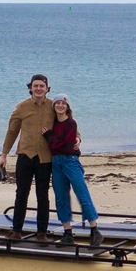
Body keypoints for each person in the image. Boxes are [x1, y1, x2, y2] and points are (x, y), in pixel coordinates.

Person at [0, 73, 55, 236]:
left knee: (42, 196)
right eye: (35, 86)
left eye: (41, 86)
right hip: (25, 156)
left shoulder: (53, 106)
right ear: (30, 88)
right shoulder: (22, 107)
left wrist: (77, 138)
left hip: (45, 158)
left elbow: (68, 122)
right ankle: (16, 230)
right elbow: (12, 131)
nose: (38, 88)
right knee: (21, 194)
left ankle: (42, 232)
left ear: (47, 89)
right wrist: (3, 154)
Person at [44, 95, 101, 248]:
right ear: (54, 106)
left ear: (67, 107)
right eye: (58, 103)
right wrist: (54, 142)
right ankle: (67, 232)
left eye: (63, 103)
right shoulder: (53, 123)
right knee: (61, 198)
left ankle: (95, 230)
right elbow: (56, 146)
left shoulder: (71, 123)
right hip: (56, 163)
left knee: (82, 194)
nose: (60, 106)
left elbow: (66, 146)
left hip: (70, 161)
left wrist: (50, 138)